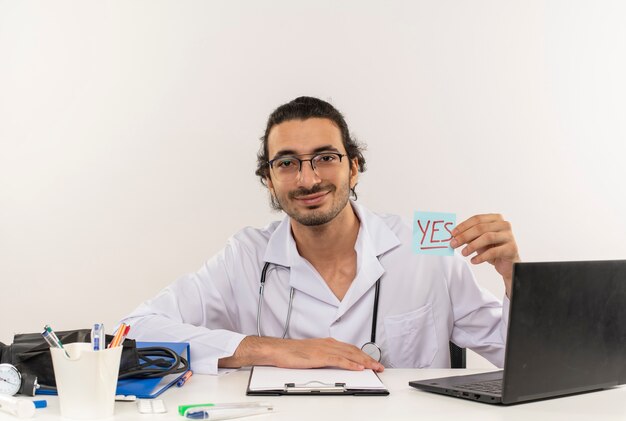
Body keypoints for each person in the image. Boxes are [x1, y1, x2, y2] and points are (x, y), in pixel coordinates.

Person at [121, 96, 520, 375]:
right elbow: (135, 328)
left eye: (326, 158)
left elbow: (517, 356)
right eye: (287, 163)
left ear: (354, 167)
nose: (308, 178)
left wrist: (515, 281)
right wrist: (275, 350)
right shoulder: (245, 255)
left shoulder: (423, 242)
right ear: (269, 182)